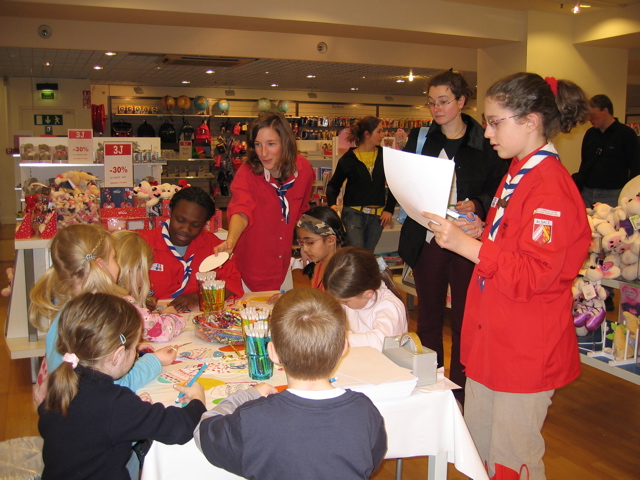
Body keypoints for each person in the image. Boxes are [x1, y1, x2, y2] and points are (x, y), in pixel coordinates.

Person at [424, 72, 591, 479]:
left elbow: (534, 274)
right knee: (480, 455)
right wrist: (479, 232)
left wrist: (467, 247)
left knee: (512, 462)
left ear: (531, 121)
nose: (488, 132)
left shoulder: (550, 186)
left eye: (496, 122)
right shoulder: (518, 172)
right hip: (492, 340)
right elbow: (514, 245)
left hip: (523, 349)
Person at [194, 287, 387, 480]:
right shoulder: (365, 410)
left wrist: (247, 395)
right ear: (344, 347)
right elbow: (371, 461)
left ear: (272, 353)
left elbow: (202, 433)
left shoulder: (253, 418)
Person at [397, 69, 507, 403]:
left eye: (444, 101)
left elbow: (498, 187)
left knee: (465, 318)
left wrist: (477, 204)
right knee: (428, 316)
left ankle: (460, 388)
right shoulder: (421, 139)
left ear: (461, 101)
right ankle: (430, 385)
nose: (436, 108)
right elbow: (406, 180)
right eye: (432, 102)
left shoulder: (486, 140)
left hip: (467, 240)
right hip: (427, 237)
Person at [38, 292, 206, 480]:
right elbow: (181, 428)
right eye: (134, 348)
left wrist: (131, 413)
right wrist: (198, 400)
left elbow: (92, 430)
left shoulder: (61, 383)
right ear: (117, 355)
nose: (136, 354)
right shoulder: (115, 404)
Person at [29, 224, 175, 403]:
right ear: (100, 265)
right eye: (114, 257)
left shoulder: (67, 308)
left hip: (61, 406)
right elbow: (117, 385)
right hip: (87, 413)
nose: (118, 264)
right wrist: (155, 361)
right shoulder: (100, 319)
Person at [215, 111, 314, 292]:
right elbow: (241, 210)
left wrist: (305, 243)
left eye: (271, 144)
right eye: (258, 144)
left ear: (285, 142)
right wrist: (231, 240)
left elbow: (302, 211)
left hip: (282, 266)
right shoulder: (247, 173)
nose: (263, 153)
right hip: (250, 268)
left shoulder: (303, 169)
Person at [140, 185, 242, 312]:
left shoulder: (215, 246)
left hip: (196, 317)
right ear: (170, 212)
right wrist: (137, 299)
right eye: (180, 220)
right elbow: (120, 286)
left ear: (205, 223)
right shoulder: (143, 243)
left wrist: (200, 296)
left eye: (196, 225)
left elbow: (233, 285)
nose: (185, 229)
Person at [327, 116, 396, 252]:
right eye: (379, 131)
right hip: (353, 214)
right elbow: (333, 185)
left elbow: (395, 184)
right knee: (358, 254)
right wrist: (332, 204)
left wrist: (389, 209)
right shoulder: (348, 159)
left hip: (378, 217)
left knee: (368, 255)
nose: (383, 135)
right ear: (367, 134)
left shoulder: (386, 156)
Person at [323, 246, 407, 351]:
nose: (340, 303)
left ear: (368, 294)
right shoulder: (355, 296)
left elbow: (380, 342)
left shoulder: (389, 306)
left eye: (344, 301)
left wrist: (336, 340)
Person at [112, 230, 185, 342]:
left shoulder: (103, 294)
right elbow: (163, 331)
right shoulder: (126, 304)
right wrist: (170, 315)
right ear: (134, 269)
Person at [576, 94, 640, 208]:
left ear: (605, 111)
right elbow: (584, 163)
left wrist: (629, 195)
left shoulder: (626, 134)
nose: (589, 118)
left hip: (613, 194)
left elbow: (635, 166)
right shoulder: (590, 134)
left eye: (593, 114)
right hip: (587, 192)